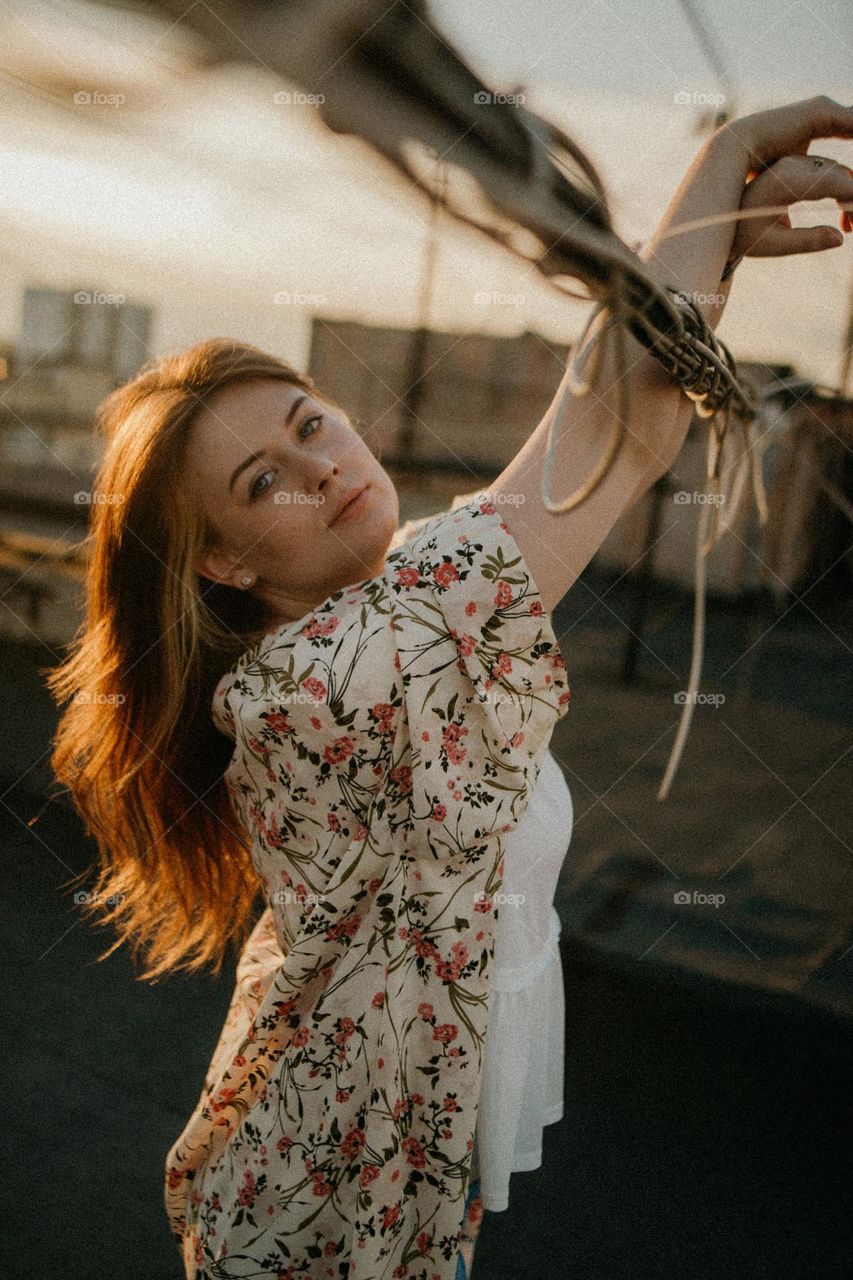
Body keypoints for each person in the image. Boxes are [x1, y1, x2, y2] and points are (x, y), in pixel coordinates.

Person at [46, 97, 853, 1280]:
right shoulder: (327, 679)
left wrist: (714, 242)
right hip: (322, 1199)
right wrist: (719, 167)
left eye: (311, 422)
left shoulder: (405, 582)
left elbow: (622, 436)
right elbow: (594, 437)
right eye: (264, 480)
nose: (321, 466)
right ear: (223, 561)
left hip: (396, 1141)